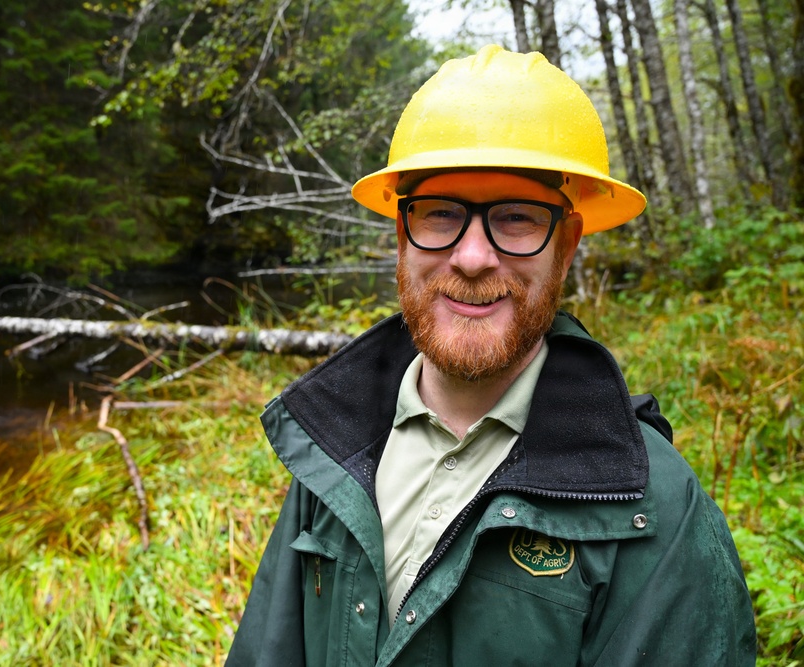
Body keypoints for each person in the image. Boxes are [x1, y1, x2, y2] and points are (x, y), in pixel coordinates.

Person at [226, 44, 756, 666]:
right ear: (401, 235)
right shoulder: (335, 443)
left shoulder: (654, 508)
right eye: (440, 213)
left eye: (516, 218)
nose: (473, 258)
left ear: (567, 245)